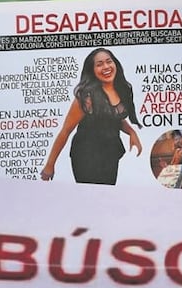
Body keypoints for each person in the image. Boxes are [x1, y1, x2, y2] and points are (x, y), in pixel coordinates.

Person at [41, 47, 143, 185]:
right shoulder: (86, 97)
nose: (106, 67)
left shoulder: (123, 89)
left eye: (109, 62)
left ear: (115, 64)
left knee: (107, 197)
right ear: (92, 70)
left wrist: (131, 132)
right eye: (99, 64)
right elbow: (65, 131)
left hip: (110, 153)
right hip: (86, 156)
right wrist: (49, 165)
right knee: (90, 199)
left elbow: (114, 117)